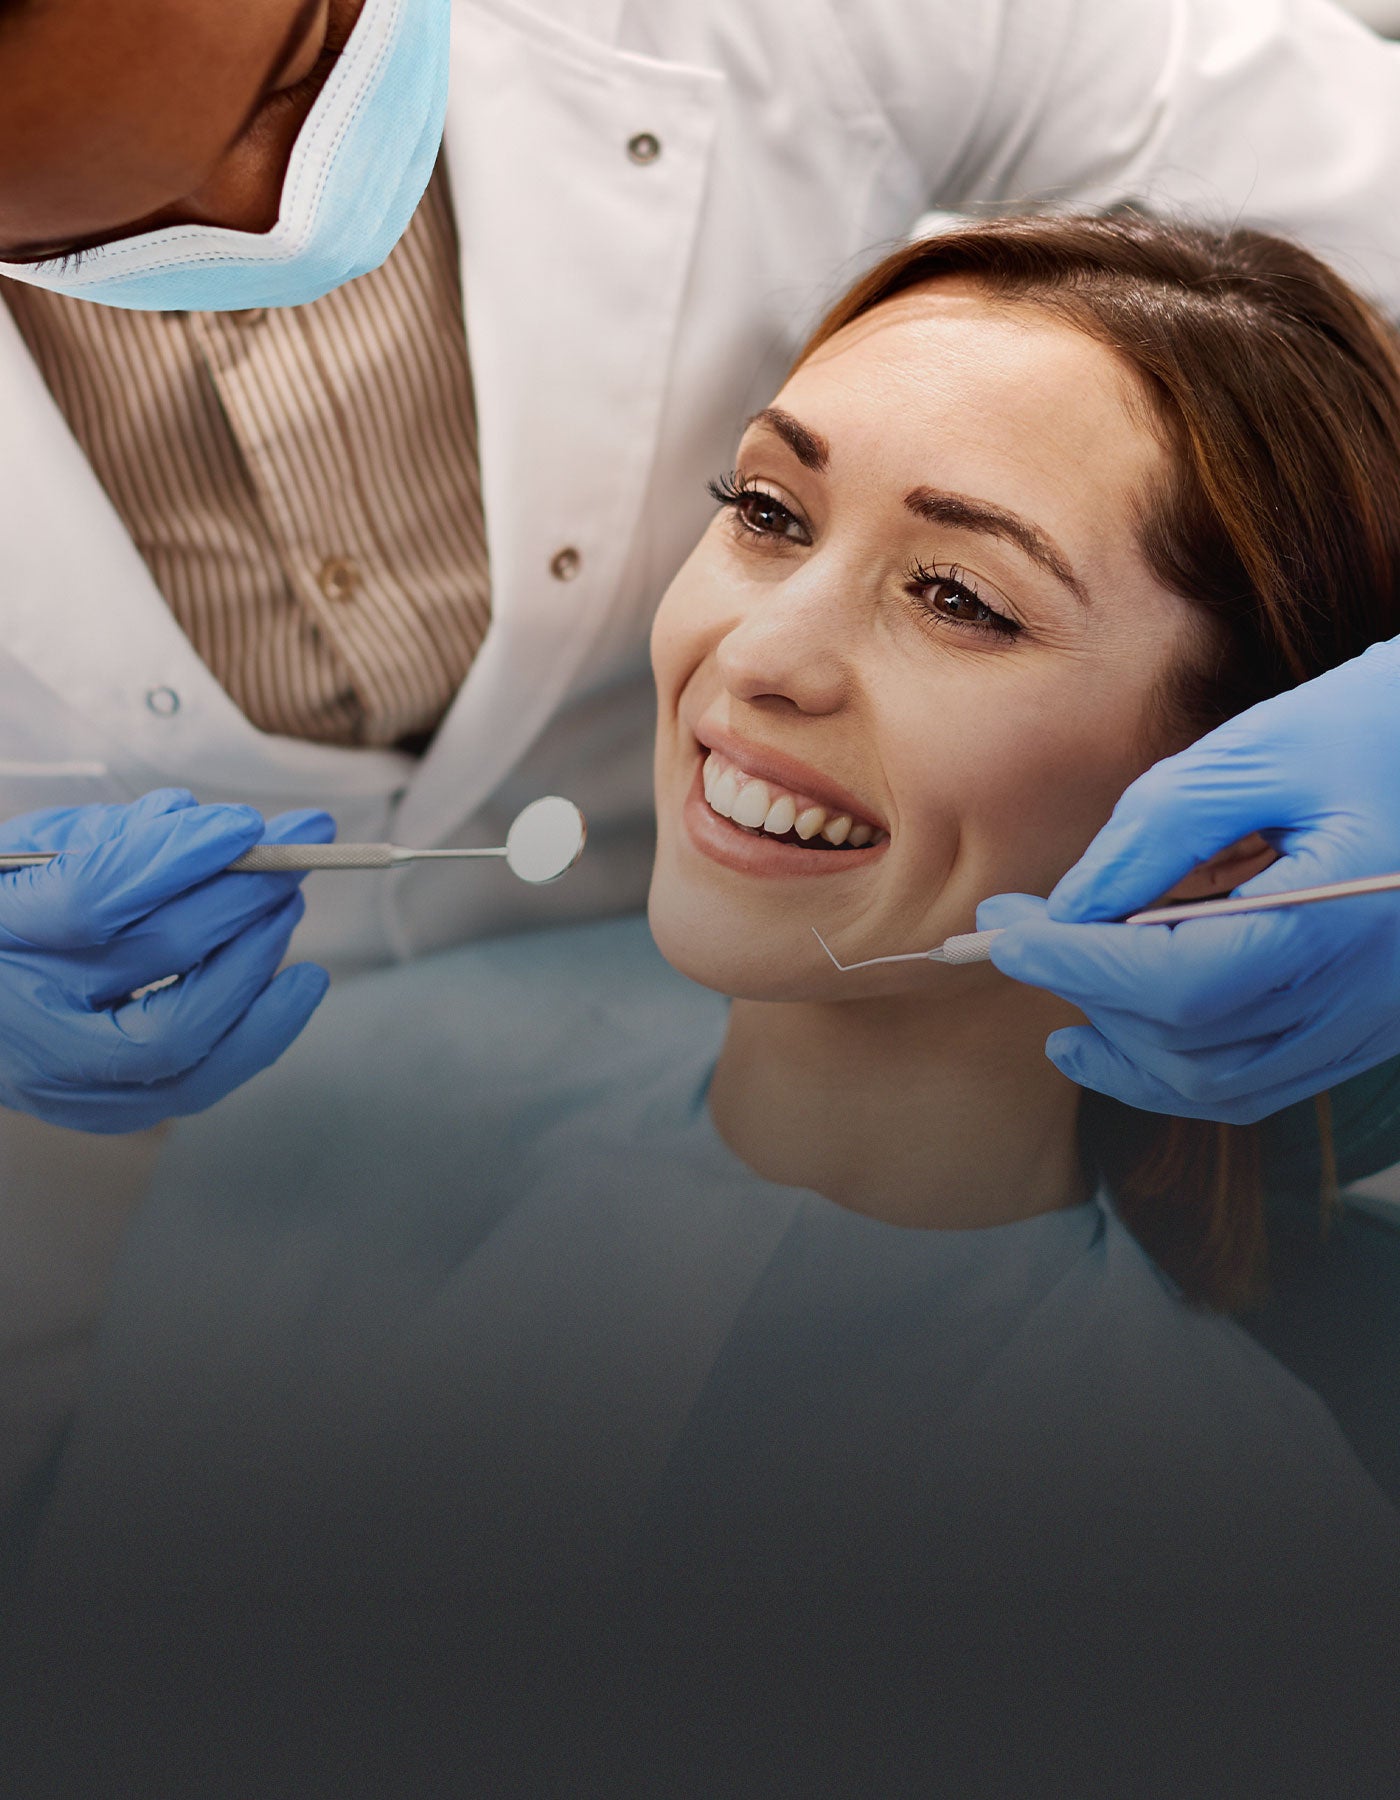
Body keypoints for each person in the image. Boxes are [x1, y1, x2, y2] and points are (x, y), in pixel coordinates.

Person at [12, 213, 1400, 1800]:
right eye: (765, 509)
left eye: (959, 597)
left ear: (1244, 808)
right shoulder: (307, 1128)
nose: (761, 654)